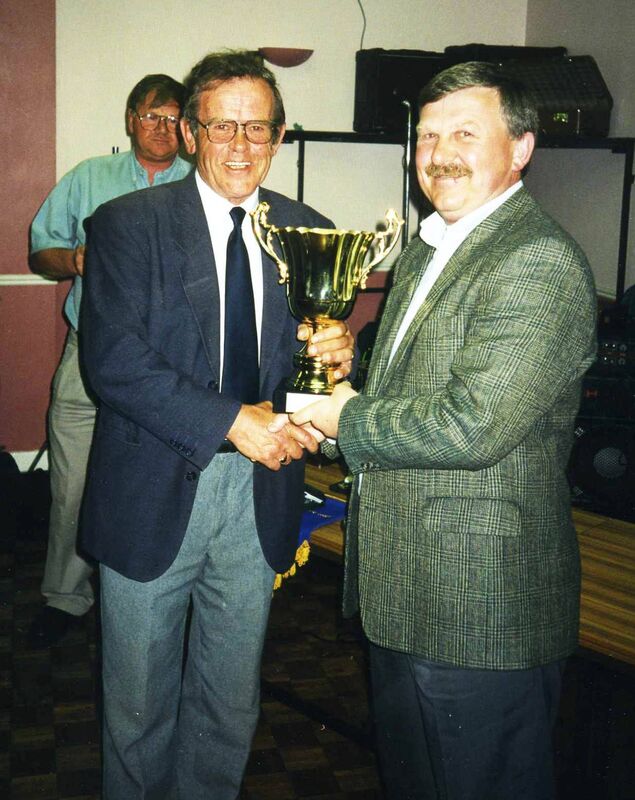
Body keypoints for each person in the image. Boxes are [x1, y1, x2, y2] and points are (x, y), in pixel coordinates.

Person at [292, 61, 598, 800]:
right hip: (404, 588)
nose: (438, 154)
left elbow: (472, 426)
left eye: (465, 132)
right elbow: (410, 400)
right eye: (427, 136)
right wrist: (346, 382)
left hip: (479, 603)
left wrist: (344, 415)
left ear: (520, 147)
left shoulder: (535, 259)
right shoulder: (431, 247)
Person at [79, 50, 353, 799]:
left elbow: (311, 365)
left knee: (228, 703)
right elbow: (114, 361)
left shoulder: (310, 231)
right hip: (154, 487)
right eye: (221, 126)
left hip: (261, 493)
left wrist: (336, 356)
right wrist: (233, 421)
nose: (239, 144)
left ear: (279, 136)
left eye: (256, 128)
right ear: (191, 133)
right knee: (138, 706)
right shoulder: (127, 225)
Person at [27, 74, 192, 649]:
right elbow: (41, 250)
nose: (162, 128)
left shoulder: (200, 183)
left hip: (170, 362)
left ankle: (156, 592)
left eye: (173, 118)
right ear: (130, 120)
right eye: (151, 116)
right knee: (72, 483)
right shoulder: (90, 177)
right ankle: (66, 597)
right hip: (91, 351)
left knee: (159, 482)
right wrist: (74, 259)